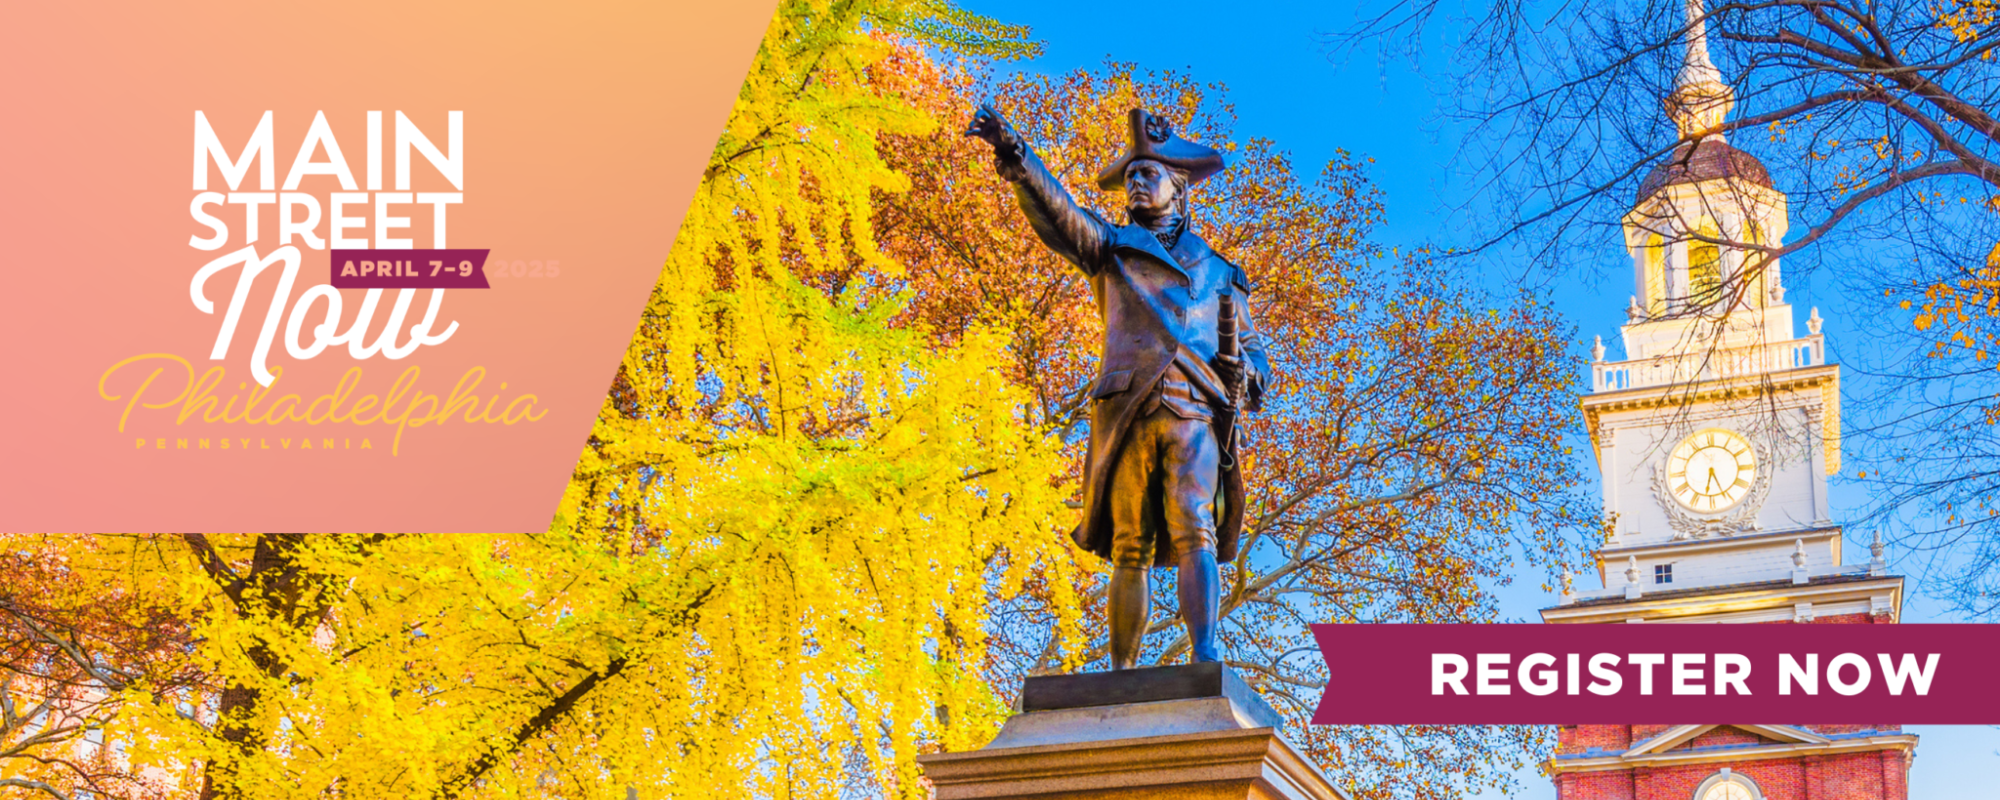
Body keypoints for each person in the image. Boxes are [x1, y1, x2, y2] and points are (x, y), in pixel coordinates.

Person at [964, 104, 1272, 669]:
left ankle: (1204, 655)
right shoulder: (1110, 246)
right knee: (1130, 543)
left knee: (1194, 527)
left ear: (1177, 187)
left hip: (1195, 412)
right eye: (1129, 175)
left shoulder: (1221, 272)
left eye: (1146, 173)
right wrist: (1016, 156)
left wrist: (1247, 373)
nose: (1134, 182)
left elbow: (1255, 352)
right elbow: (1061, 216)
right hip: (1128, 408)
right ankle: (1123, 670)